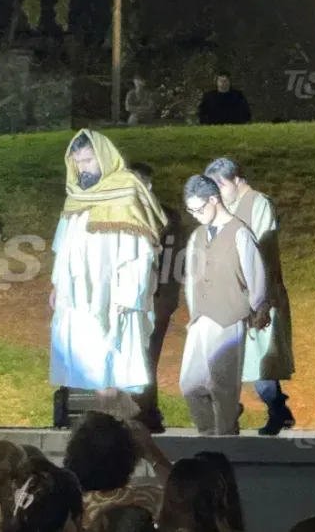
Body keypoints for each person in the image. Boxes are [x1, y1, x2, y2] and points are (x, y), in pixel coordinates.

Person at [49, 129, 168, 409]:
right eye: (78, 162)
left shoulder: (125, 189)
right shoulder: (75, 194)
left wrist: (129, 293)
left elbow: (140, 248)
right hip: (78, 293)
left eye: (88, 160)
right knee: (91, 366)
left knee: (110, 365)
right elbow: (63, 244)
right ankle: (118, 423)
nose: (83, 168)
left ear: (103, 157)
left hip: (114, 294)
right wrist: (57, 284)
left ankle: (114, 424)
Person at [204, 157, 295, 435]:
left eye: (221, 187)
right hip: (231, 293)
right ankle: (234, 410)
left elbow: (264, 248)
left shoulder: (258, 203)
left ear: (234, 180)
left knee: (258, 362)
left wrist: (261, 297)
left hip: (257, 291)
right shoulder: (226, 208)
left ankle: (277, 409)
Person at [181, 175, 269, 435]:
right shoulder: (197, 236)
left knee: (223, 386)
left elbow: (256, 277)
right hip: (201, 318)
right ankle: (208, 432)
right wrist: (194, 312)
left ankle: (225, 438)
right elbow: (192, 279)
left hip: (229, 316)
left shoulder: (240, 233)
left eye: (199, 209)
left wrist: (254, 308)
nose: (195, 215)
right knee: (190, 384)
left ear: (213, 199)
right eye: (190, 211)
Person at [127, 162, 186, 433]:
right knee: (137, 356)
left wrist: (165, 299)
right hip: (130, 299)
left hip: (155, 298)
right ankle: (144, 411)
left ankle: (145, 412)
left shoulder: (166, 217)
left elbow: (174, 261)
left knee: (147, 355)